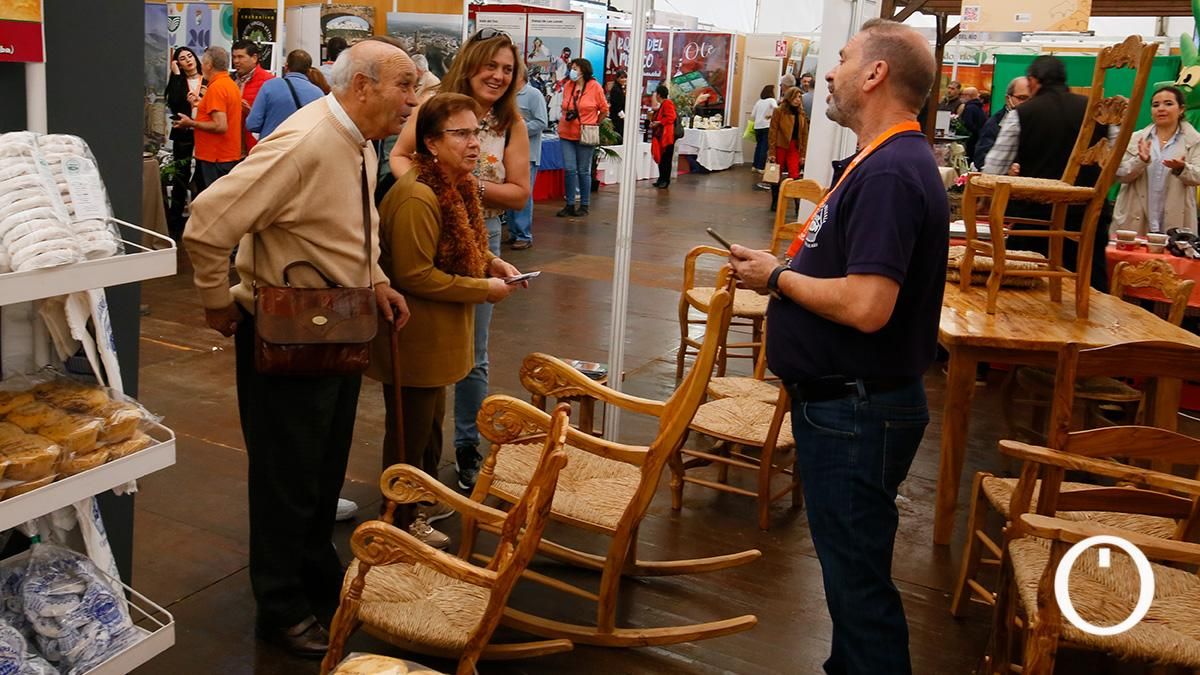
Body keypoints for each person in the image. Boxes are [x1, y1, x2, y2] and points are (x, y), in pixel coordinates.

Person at [183, 39, 417, 657]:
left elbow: (352, 225)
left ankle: (315, 576)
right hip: (288, 334)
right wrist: (215, 299)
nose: (412, 101)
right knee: (287, 476)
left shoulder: (357, 143)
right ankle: (280, 605)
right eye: (405, 86)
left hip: (338, 328)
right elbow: (207, 222)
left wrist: (379, 282)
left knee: (321, 468)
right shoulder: (308, 141)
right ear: (362, 86)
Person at [730, 19, 946, 674]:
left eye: (845, 58)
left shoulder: (889, 173)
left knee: (858, 587)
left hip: (855, 410)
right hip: (849, 404)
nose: (831, 70)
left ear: (876, 74)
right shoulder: (882, 162)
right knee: (852, 577)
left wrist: (776, 277)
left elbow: (867, 306)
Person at [371, 93, 525, 549]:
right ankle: (397, 522)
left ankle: (419, 502)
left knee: (428, 427)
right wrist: (483, 288)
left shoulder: (452, 186)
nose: (474, 143)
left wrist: (491, 262)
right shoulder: (420, 195)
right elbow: (414, 274)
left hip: (438, 334)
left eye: (476, 132)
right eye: (461, 134)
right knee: (409, 433)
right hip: (416, 336)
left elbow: (459, 249)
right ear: (432, 144)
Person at [983, 55, 1117, 291]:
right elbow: (1119, 167)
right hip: (1087, 218)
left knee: (1027, 288)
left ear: (1033, 81)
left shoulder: (1022, 115)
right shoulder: (1097, 112)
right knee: (1088, 286)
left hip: (1037, 219)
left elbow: (994, 169)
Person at [1113, 86, 1200, 236]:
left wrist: (1181, 168)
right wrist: (1140, 161)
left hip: (1176, 220)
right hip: (1134, 218)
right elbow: (1119, 174)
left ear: (1181, 109)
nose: (1161, 108)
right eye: (1155, 105)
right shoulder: (1135, 139)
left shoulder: (1194, 140)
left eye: (1168, 103)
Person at [173, 46, 242, 193]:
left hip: (216, 158)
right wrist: (200, 104)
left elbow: (220, 125)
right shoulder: (229, 84)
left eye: (203, 62)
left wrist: (190, 123)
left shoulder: (217, 88)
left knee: (213, 203)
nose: (201, 65)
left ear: (209, 65)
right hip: (224, 155)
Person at [556, 57, 608, 217]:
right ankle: (570, 204)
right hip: (566, 133)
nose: (572, 70)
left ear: (583, 70)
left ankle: (584, 204)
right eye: (572, 67)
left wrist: (594, 123)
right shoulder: (568, 86)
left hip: (585, 134)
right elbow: (564, 106)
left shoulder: (595, 87)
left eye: (575, 68)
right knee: (570, 169)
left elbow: (604, 109)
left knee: (584, 170)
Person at [164, 46, 203, 238]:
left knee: (202, 175)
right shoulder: (178, 81)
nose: (188, 60)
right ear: (177, 63)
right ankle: (175, 220)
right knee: (181, 174)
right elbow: (175, 103)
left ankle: (200, 216)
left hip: (205, 132)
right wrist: (177, 75)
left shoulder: (208, 80)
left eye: (190, 56)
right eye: (182, 58)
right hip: (184, 132)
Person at [246, 49, 324, 141]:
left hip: (271, 147)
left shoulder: (270, 86)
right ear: (309, 71)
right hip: (301, 149)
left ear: (286, 67)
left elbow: (252, 124)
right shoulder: (318, 93)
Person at [508, 72, 548, 249]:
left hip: (528, 154)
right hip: (508, 153)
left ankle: (524, 235)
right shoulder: (507, 95)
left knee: (523, 194)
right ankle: (513, 232)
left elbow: (541, 122)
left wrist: (519, 129)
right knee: (509, 193)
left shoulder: (534, 95)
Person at [973, 76, 1029, 169]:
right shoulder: (994, 123)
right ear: (1008, 99)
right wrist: (1007, 169)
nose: (1027, 103)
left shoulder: (1039, 120)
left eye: (1031, 99)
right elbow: (981, 159)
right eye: (1022, 98)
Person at [232, 40, 274, 155]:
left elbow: (273, 118)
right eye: (234, 57)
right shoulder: (231, 80)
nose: (236, 61)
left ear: (254, 58)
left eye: (240, 57)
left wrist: (251, 112)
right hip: (231, 147)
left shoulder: (269, 82)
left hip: (255, 147)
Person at [769, 86, 808, 181]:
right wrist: (772, 152)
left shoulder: (801, 114)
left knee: (794, 173)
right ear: (789, 97)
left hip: (795, 146)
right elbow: (773, 131)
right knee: (776, 174)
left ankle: (793, 194)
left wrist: (803, 154)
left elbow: (804, 135)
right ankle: (776, 194)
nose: (797, 100)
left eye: (799, 97)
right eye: (795, 97)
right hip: (780, 145)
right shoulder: (779, 111)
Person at [650, 84, 677, 189]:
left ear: (659, 95)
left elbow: (671, 117)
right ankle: (661, 179)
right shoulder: (664, 104)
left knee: (665, 159)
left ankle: (665, 180)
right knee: (662, 159)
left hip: (667, 137)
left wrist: (659, 123)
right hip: (663, 136)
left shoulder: (667, 103)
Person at [751, 84, 778, 172]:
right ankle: (761, 167)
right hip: (767, 126)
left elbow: (753, 115)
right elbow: (777, 109)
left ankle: (754, 165)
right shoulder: (771, 100)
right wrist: (770, 116)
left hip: (757, 126)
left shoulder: (759, 102)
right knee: (764, 147)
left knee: (758, 146)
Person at [957, 86, 987, 162]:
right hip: (978, 138)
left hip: (971, 140)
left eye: (963, 95)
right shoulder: (979, 107)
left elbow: (967, 123)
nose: (961, 97)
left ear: (968, 96)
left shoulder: (969, 108)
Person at [608, 69, 628, 140]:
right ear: (617, 79)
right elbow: (617, 106)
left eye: (625, 77)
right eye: (622, 78)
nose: (624, 79)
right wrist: (623, 117)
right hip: (617, 119)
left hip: (619, 118)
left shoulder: (621, 89)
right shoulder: (616, 90)